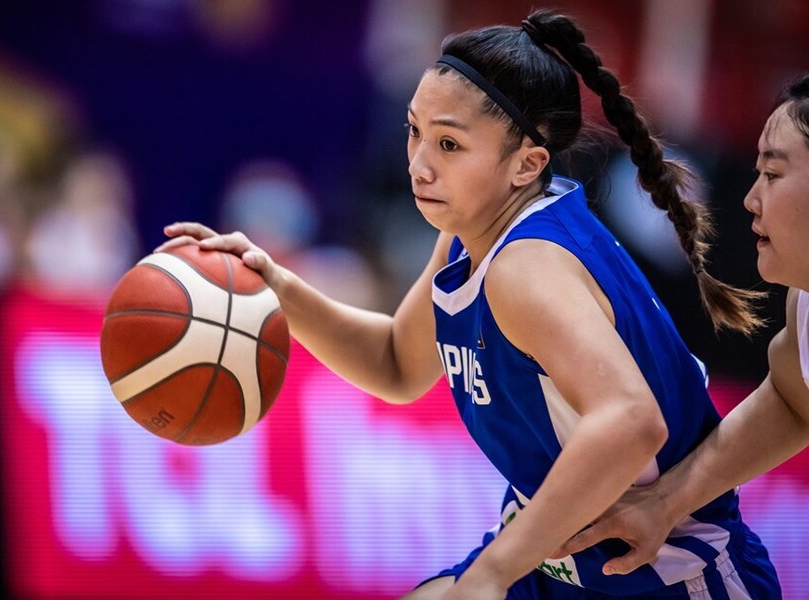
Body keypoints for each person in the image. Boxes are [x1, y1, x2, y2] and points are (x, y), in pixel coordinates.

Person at [156, 9, 781, 599]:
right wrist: (277, 288)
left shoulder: (525, 267)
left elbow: (632, 420)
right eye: (415, 132)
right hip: (558, 561)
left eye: (449, 145)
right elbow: (397, 363)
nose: (419, 166)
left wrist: (493, 572)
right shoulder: (475, 230)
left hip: (666, 575)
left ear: (526, 164)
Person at [556, 73, 809, 579]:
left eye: (773, 174)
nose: (750, 199)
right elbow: (791, 400)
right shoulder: (803, 303)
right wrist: (665, 502)